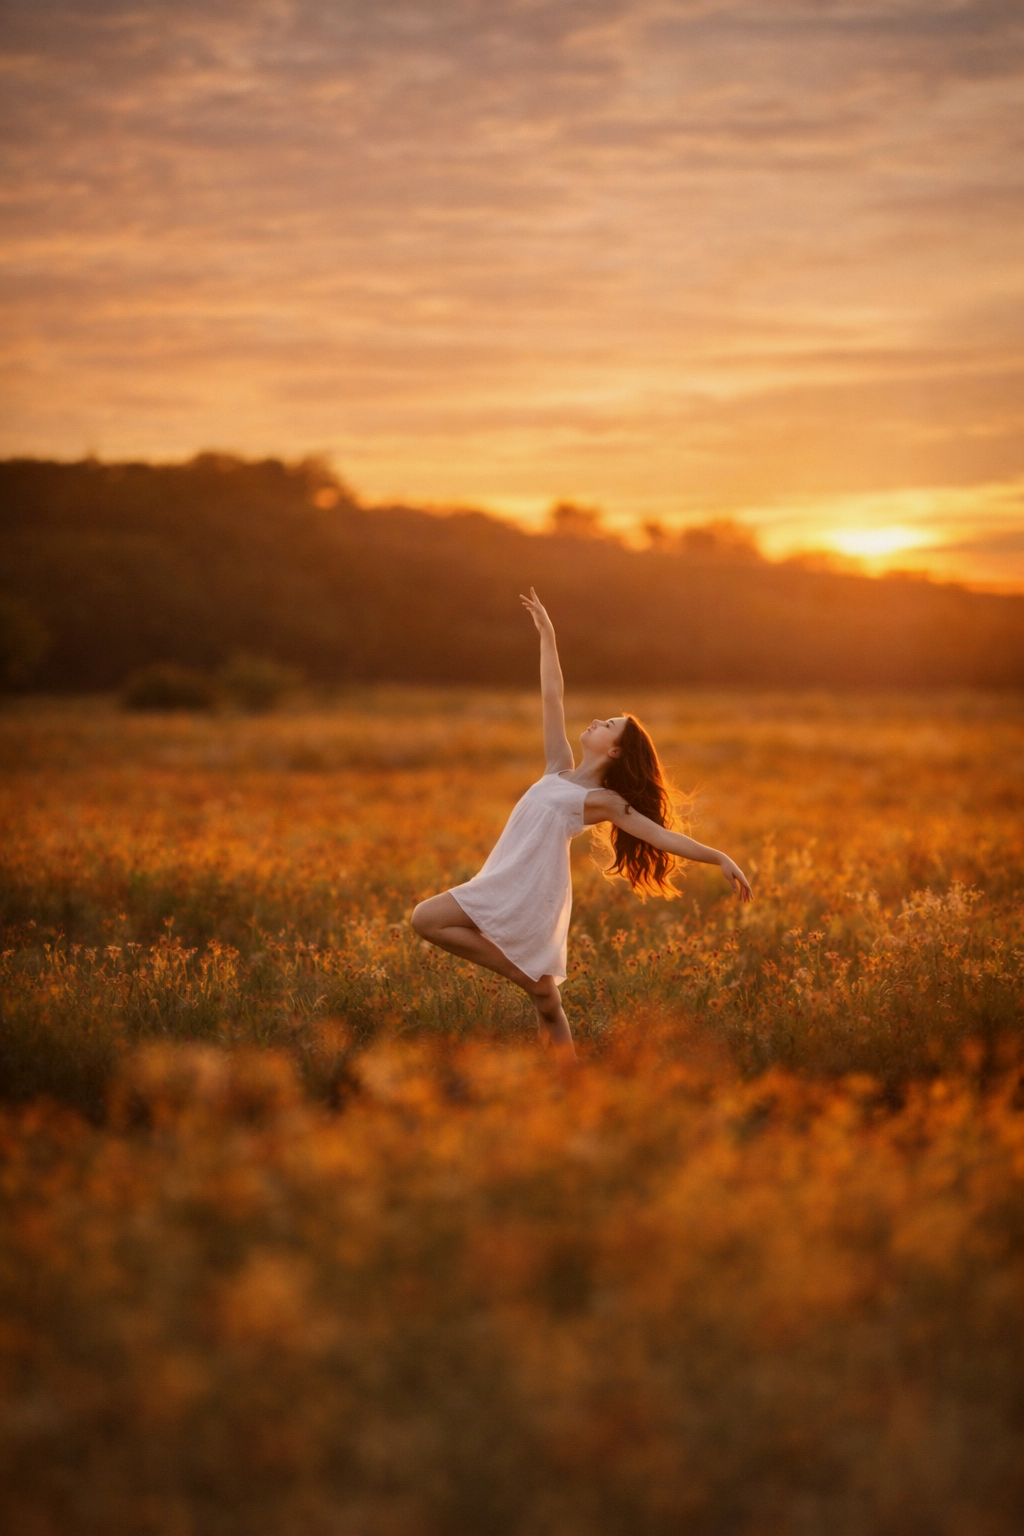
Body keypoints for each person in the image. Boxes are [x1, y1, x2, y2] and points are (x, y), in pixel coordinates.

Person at [412, 588, 752, 1057]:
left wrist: (720, 856)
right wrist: (548, 635)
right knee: (547, 1006)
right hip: (503, 880)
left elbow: (658, 834)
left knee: (425, 919)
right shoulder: (558, 767)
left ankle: (524, 978)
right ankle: (565, 1084)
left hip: (528, 893)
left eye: (608, 724)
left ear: (614, 751)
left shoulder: (601, 801)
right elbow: (553, 695)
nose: (595, 721)